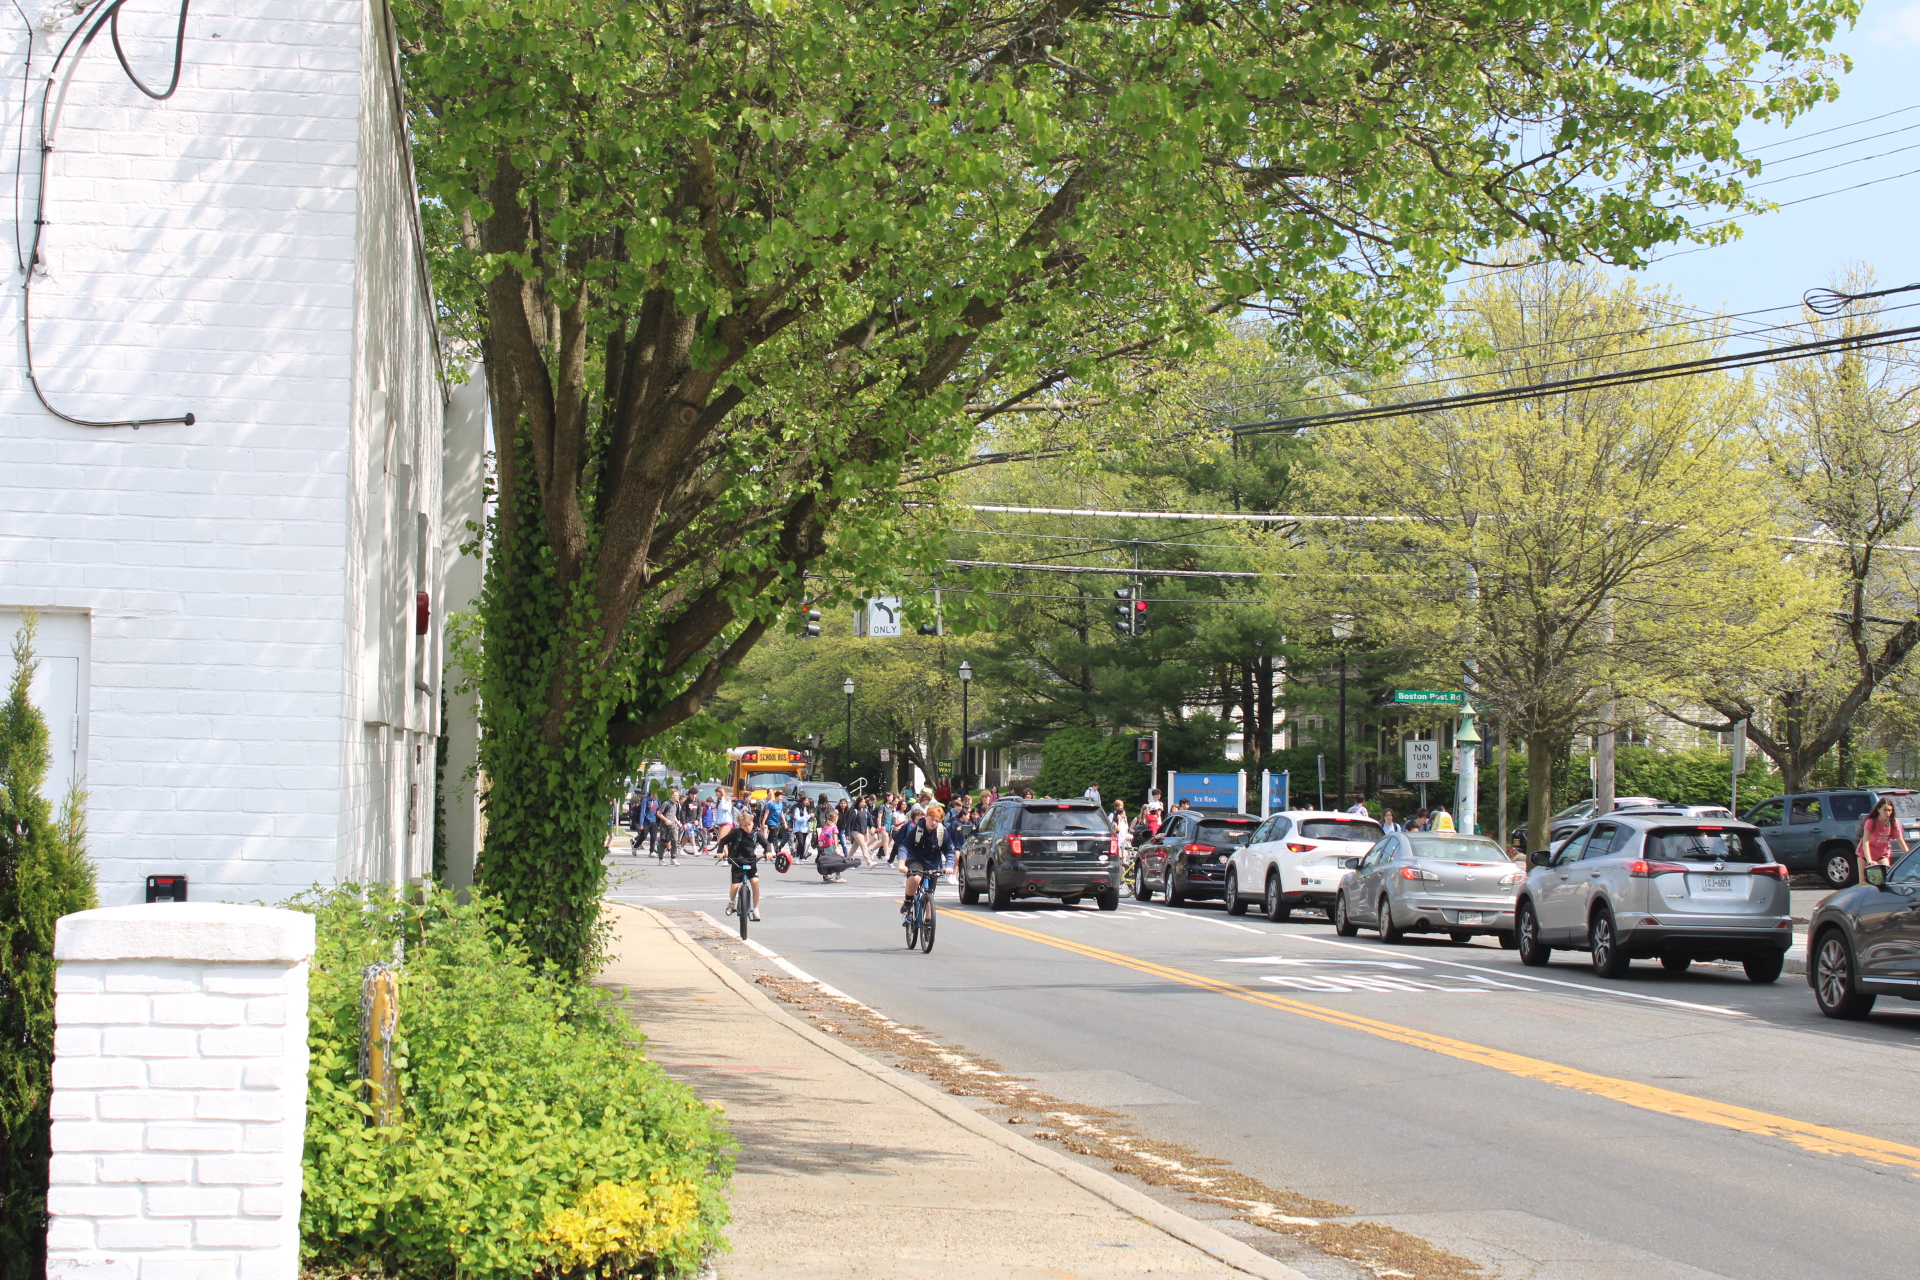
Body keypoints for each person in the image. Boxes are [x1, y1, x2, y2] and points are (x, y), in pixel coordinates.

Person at [900, 807, 944, 914]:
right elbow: (904, 846)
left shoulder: (941, 832)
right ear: (926, 817)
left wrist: (949, 866)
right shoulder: (917, 829)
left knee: (930, 895)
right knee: (915, 878)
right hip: (916, 859)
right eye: (932, 819)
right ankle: (908, 901)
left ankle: (928, 923)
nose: (934, 823)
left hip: (933, 863)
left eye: (937, 820)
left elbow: (950, 850)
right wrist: (902, 863)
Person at [1857, 796, 1909, 881]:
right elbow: (1865, 842)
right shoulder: (1871, 821)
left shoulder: (1894, 822)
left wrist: (1909, 856)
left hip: (1882, 854)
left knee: (1885, 879)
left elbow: (1900, 841)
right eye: (1885, 810)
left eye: (1890, 810)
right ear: (1878, 810)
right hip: (1865, 855)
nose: (1888, 813)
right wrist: (1869, 860)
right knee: (1863, 882)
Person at [723, 813, 763, 921]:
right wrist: (719, 852)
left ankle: (755, 910)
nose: (748, 827)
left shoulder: (756, 834)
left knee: (755, 883)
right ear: (740, 826)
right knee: (734, 887)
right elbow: (723, 841)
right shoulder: (736, 833)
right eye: (744, 825)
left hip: (751, 863)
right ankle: (732, 902)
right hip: (737, 862)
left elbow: (766, 843)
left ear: (752, 823)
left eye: (749, 824)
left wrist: (768, 851)